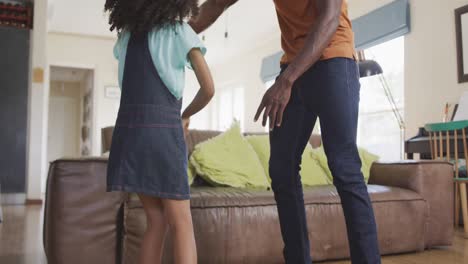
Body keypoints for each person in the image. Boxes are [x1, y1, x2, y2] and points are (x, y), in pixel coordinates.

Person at [190, 0, 381, 263]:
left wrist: (285, 81)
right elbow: (216, 4)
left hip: (333, 58)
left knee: (344, 166)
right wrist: (179, 30)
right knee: (281, 169)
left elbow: (329, 19)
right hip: (293, 63)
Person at [104, 1, 214, 263]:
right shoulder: (178, 32)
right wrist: (185, 114)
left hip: (129, 133)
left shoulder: (127, 36)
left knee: (156, 219)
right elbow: (208, 89)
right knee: (181, 222)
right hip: (162, 133)